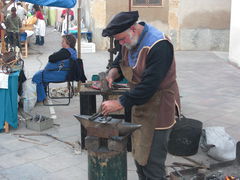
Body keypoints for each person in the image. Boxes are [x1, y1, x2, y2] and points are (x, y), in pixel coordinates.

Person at [101, 11, 181, 180]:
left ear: (133, 29)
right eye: (119, 41)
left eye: (122, 39)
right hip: (139, 105)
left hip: (159, 108)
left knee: (152, 164)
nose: (121, 43)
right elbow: (119, 62)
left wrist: (119, 103)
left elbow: (149, 86)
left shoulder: (159, 45)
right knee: (139, 158)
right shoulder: (127, 40)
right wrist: (112, 74)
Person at [32, 34, 77, 102]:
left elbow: (51, 58)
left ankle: (41, 98)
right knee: (40, 75)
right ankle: (43, 95)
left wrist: (55, 54)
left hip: (60, 75)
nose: (61, 42)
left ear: (68, 43)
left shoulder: (65, 52)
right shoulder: (72, 50)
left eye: (63, 41)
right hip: (65, 73)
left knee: (37, 77)